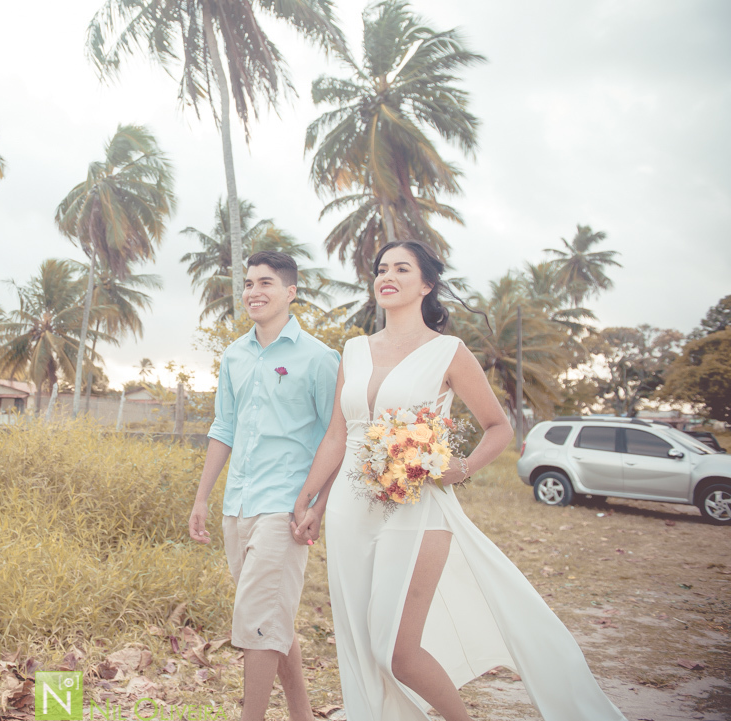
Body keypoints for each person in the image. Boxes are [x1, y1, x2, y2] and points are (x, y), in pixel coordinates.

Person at [290, 240, 627, 721]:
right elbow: (337, 437)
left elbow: (499, 426)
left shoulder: (448, 351)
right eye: (381, 268)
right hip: (349, 507)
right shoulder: (354, 349)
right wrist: (311, 502)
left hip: (417, 505)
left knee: (396, 651)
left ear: (426, 284)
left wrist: (462, 466)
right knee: (360, 643)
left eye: (401, 269)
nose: (387, 275)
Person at [189, 250, 341, 721]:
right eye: (249, 283)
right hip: (237, 505)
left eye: (266, 283)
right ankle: (302, 714)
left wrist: (319, 504)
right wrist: (201, 499)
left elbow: (338, 437)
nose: (254, 291)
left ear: (290, 293)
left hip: (287, 507)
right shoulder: (234, 354)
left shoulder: (320, 358)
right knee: (269, 617)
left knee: (258, 620)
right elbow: (223, 428)